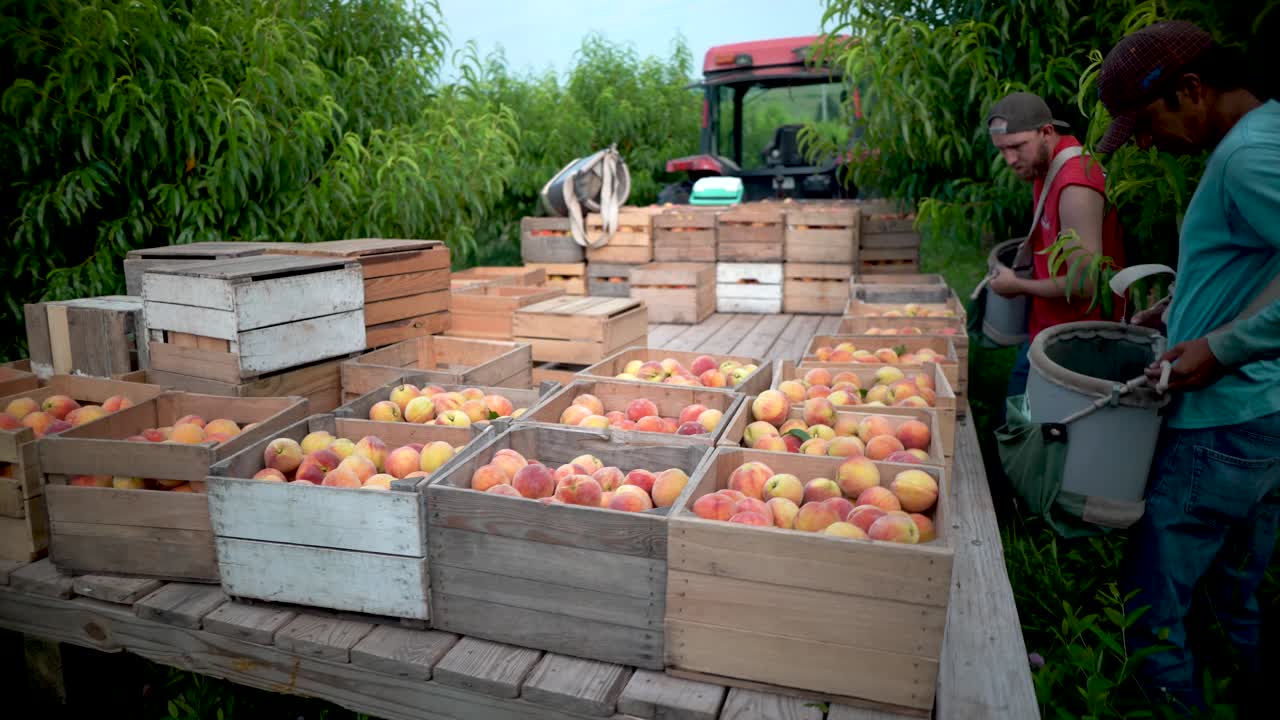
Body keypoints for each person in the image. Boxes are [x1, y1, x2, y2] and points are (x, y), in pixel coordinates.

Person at [1096, 20, 1280, 713]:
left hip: (1222, 423)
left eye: (1144, 124)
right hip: (1261, 415)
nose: (1145, 142)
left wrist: (1221, 346)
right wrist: (1180, 310)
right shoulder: (1259, 141)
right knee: (1234, 596)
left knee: (1150, 610)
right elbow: (1263, 263)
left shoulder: (1245, 158)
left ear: (1191, 90)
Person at [984, 92, 1126, 401]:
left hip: (1079, 343)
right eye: (1002, 150)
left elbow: (1087, 283)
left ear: (1046, 132)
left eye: (1017, 146)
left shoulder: (1075, 183)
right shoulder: (1044, 163)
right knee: (1017, 428)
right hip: (1048, 331)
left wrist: (1018, 285)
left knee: (1035, 436)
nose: (1009, 160)